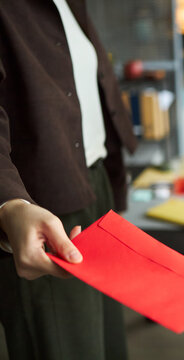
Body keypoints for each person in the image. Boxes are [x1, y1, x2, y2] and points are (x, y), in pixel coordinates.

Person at [0, 0, 137, 359]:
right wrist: (10, 201)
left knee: (107, 341)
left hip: (96, 185)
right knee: (67, 346)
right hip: (40, 209)